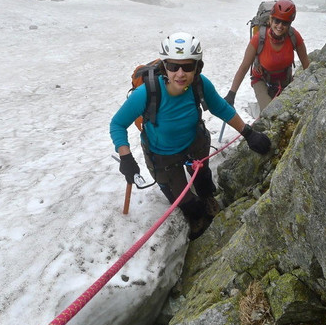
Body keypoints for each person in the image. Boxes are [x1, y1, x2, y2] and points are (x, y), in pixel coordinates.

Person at [110, 32, 272, 239]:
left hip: (194, 143)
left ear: (197, 67)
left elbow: (221, 108)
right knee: (190, 206)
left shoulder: (199, 84)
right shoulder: (147, 93)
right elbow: (117, 124)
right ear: (164, 67)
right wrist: (125, 157)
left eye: (187, 66)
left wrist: (249, 133)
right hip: (163, 156)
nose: (180, 73)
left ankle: (205, 196)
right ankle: (195, 216)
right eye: (173, 66)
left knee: (204, 183)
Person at [224, 0, 310, 112]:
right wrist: (232, 94)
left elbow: (306, 64)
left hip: (285, 81)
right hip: (261, 81)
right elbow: (244, 67)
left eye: (285, 23)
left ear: (290, 23)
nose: (280, 26)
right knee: (270, 114)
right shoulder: (259, 39)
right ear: (270, 19)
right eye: (277, 21)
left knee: (287, 113)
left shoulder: (294, 36)